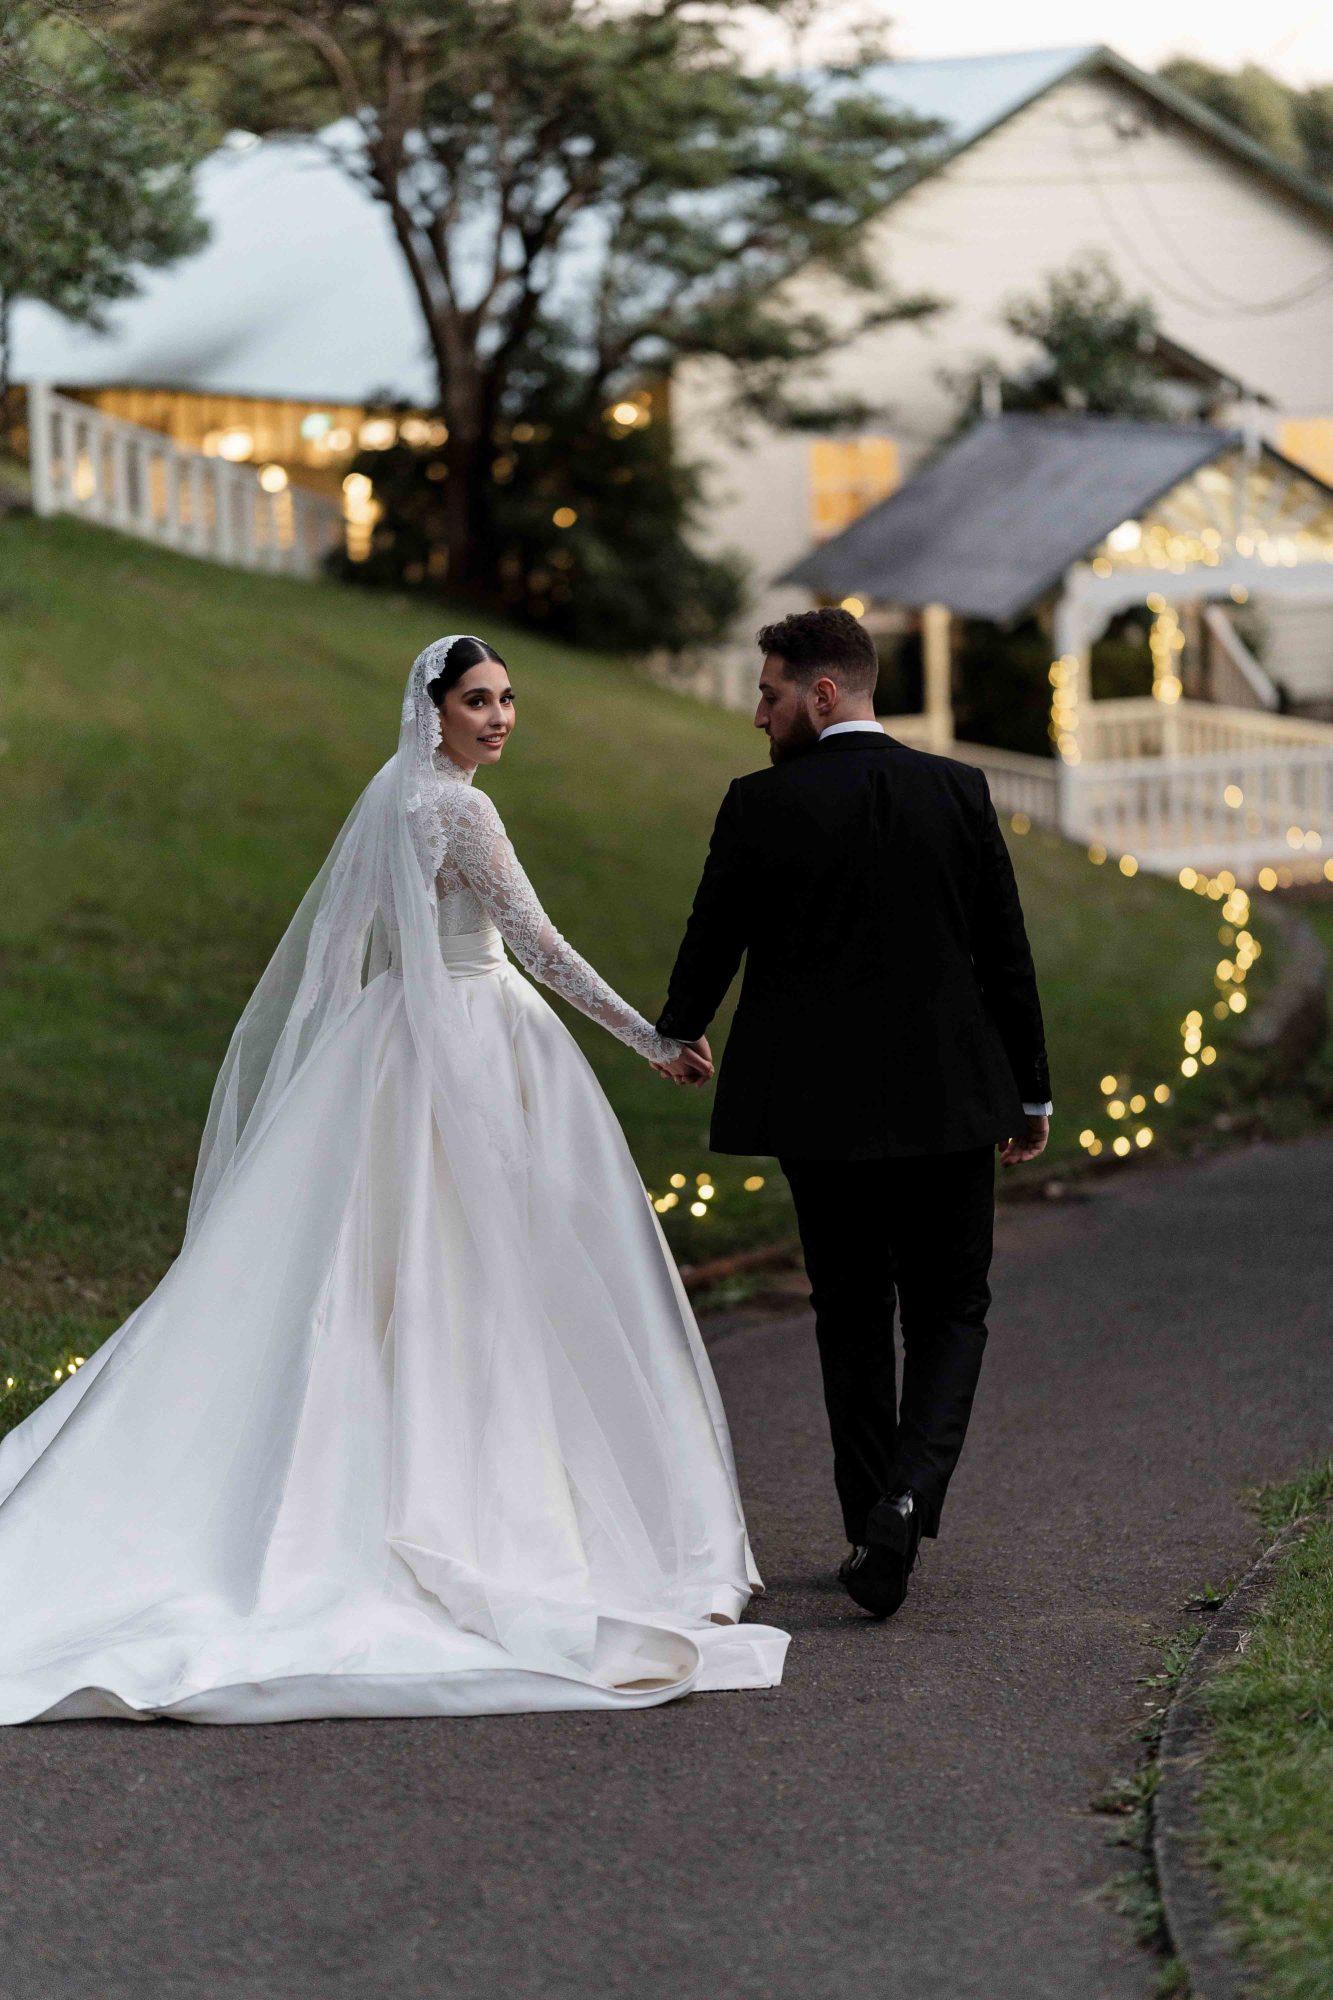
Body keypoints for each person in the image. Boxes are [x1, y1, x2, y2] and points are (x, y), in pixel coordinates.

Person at [0, 635, 788, 1724]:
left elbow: (347, 949)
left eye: (510, 699)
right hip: (477, 1031)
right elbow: (537, 943)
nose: (500, 717)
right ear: (436, 709)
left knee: (382, 1268)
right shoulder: (461, 809)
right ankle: (486, 1510)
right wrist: (650, 1038)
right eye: (479, 701)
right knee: (486, 1272)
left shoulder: (393, 794)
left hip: (391, 1041)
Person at [655, 607, 1051, 1619]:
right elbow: (1003, 954)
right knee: (951, 1307)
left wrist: (677, 1030)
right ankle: (906, 1501)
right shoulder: (956, 790)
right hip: (951, 1096)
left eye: (770, 691)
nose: (758, 714)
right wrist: (1030, 1088)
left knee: (850, 1307)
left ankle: (870, 1516)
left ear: (822, 695)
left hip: (817, 1107)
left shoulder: (757, 806)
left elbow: (712, 938)